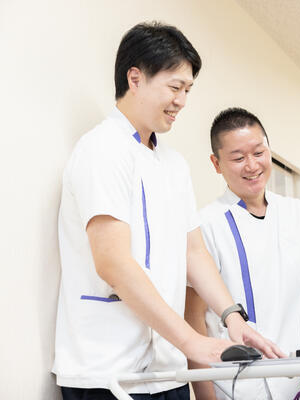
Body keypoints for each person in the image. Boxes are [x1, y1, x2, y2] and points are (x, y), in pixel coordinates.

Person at [53, 23, 283, 400]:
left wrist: (232, 318)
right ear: (135, 78)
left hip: (167, 372)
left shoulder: (173, 164)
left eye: (188, 90)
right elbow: (112, 262)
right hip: (107, 372)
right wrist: (192, 341)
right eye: (175, 87)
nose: (182, 101)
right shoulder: (101, 150)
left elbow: (194, 252)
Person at [185, 108, 300, 399]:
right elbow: (194, 319)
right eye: (238, 158)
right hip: (238, 386)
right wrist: (205, 396)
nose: (252, 165)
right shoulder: (205, 225)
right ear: (216, 164)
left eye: (259, 152)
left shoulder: (299, 213)